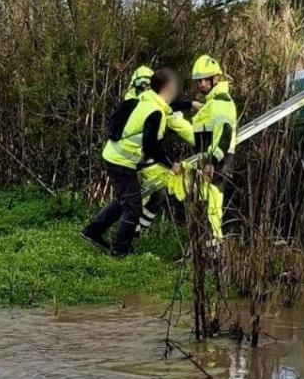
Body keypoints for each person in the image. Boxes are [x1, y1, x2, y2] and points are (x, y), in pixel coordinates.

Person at [82, 68, 184, 256]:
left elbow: (171, 108)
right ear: (168, 88)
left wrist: (188, 104)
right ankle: (120, 251)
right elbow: (151, 146)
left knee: (124, 201)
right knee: (133, 207)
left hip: (116, 157)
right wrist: (172, 165)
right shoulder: (155, 111)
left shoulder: (148, 100)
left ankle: (92, 231)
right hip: (122, 161)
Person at [190, 55, 238, 248]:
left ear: (215, 78)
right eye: (199, 80)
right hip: (211, 164)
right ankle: (207, 252)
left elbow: (225, 134)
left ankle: (213, 253)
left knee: (211, 210)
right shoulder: (213, 102)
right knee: (208, 209)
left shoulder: (221, 101)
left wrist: (211, 162)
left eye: (205, 79)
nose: (201, 84)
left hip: (217, 164)